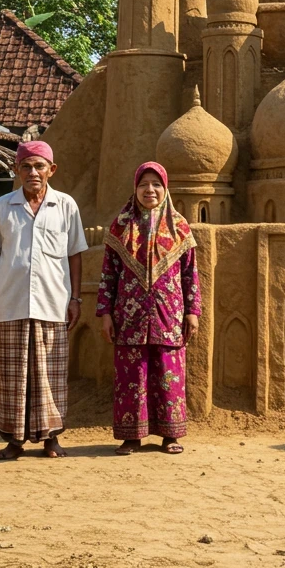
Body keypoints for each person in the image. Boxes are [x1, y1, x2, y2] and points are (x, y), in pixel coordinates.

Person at [0, 140, 87, 459]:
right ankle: (14, 441)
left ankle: (51, 439)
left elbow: (75, 257)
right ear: (16, 170)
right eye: (26, 166)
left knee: (49, 375)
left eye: (39, 166)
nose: (33, 173)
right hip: (10, 303)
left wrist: (76, 299)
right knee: (13, 377)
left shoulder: (66, 206)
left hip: (53, 304)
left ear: (51, 170)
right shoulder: (2, 207)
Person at [96, 162, 201, 455]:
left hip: (169, 315)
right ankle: (132, 436)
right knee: (132, 375)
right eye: (144, 184)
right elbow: (108, 274)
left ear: (165, 189)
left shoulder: (180, 228)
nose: (150, 190)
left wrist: (192, 310)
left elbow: (190, 273)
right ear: (135, 188)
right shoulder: (120, 226)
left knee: (168, 373)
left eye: (156, 184)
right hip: (128, 317)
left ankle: (170, 435)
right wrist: (105, 312)